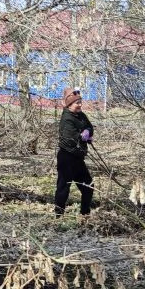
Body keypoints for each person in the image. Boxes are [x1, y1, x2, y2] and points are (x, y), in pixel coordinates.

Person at [54, 86, 95, 218]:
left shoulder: (81, 115)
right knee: (63, 188)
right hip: (67, 157)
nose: (80, 105)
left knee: (88, 186)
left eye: (80, 102)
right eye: (77, 103)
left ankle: (85, 214)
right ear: (69, 104)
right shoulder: (66, 118)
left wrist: (88, 131)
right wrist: (82, 137)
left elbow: (89, 126)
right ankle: (58, 215)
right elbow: (69, 138)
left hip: (78, 158)